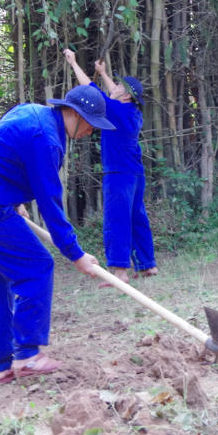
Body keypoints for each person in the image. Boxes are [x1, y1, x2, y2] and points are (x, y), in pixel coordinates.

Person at [0, 85, 113, 385]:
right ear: (74, 113)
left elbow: (1, 153)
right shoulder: (46, 140)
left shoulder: (32, 112)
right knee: (37, 267)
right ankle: (27, 355)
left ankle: (0, 366)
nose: (91, 131)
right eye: (90, 123)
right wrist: (75, 254)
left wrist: (14, 198)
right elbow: (50, 203)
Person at [63, 49, 157, 283]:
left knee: (117, 220)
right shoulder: (131, 112)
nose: (113, 87)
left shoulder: (115, 110)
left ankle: (119, 272)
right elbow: (114, 91)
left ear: (125, 96)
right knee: (136, 218)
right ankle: (147, 265)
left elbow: (90, 91)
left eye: (119, 87)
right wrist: (103, 72)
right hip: (135, 173)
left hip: (118, 174)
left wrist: (74, 63)